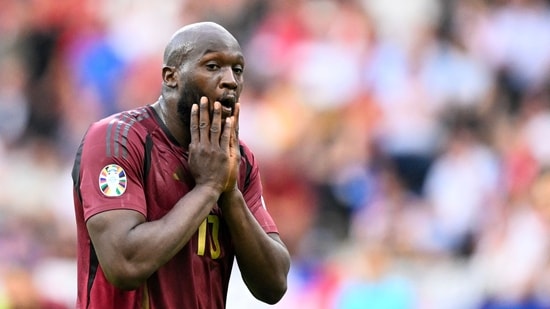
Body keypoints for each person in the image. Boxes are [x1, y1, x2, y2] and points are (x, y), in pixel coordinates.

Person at [71, 21, 291, 308]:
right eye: (213, 66)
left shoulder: (238, 159)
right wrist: (209, 187)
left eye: (237, 70)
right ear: (171, 76)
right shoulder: (117, 139)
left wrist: (230, 193)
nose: (230, 81)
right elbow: (125, 264)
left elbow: (274, 285)